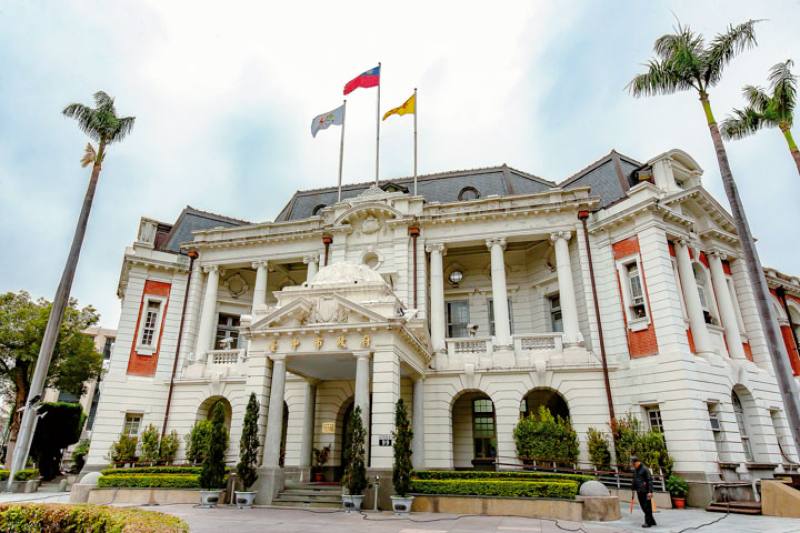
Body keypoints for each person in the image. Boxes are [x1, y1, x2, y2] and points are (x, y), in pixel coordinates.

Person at [631, 456, 657, 528]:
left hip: (645, 491)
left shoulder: (645, 469)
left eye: (633, 464)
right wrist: (633, 488)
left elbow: (649, 480)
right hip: (639, 491)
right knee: (643, 507)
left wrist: (650, 491)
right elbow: (634, 479)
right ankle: (652, 521)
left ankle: (648, 523)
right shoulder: (636, 469)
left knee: (647, 507)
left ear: (637, 462)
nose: (633, 465)